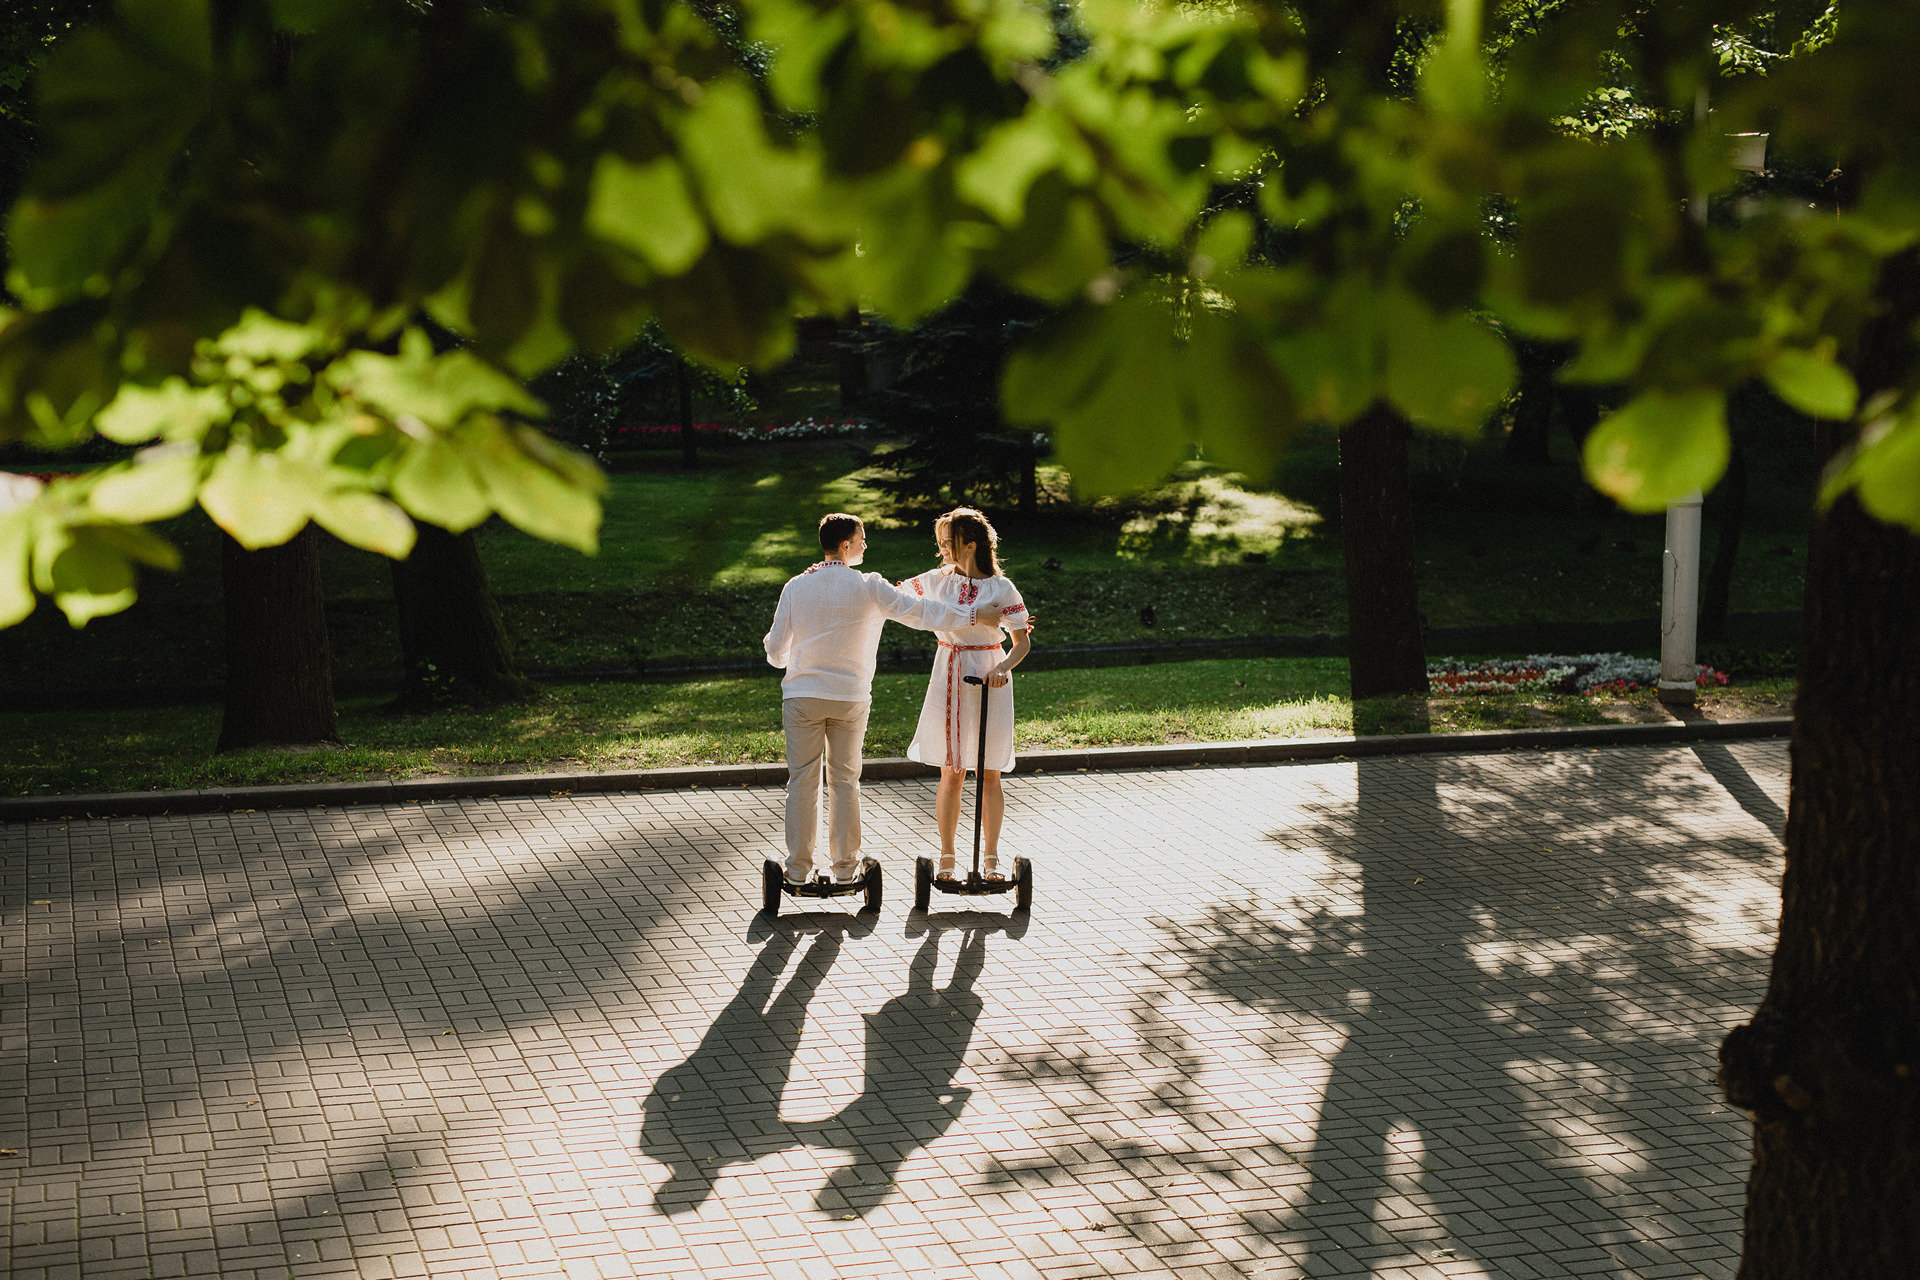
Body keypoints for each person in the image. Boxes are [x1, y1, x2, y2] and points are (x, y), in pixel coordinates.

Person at [763, 513, 1002, 883]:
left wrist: (796, 654)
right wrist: (974, 614)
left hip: (801, 698)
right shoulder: (870, 586)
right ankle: (844, 871)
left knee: (802, 782)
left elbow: (776, 652)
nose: (865, 545)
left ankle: (796, 871)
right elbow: (922, 613)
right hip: (849, 698)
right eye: (861, 539)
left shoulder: (796, 586)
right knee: (844, 781)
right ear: (845, 546)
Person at [901, 507, 1031, 881]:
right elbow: (897, 599)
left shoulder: (1001, 588)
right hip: (950, 667)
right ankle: (947, 855)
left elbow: (1021, 642)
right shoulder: (936, 581)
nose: (942, 549)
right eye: (940, 542)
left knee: (989, 772)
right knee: (952, 770)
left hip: (990, 671)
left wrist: (1002, 668)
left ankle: (990, 857)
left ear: (970, 545)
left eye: (948, 542)